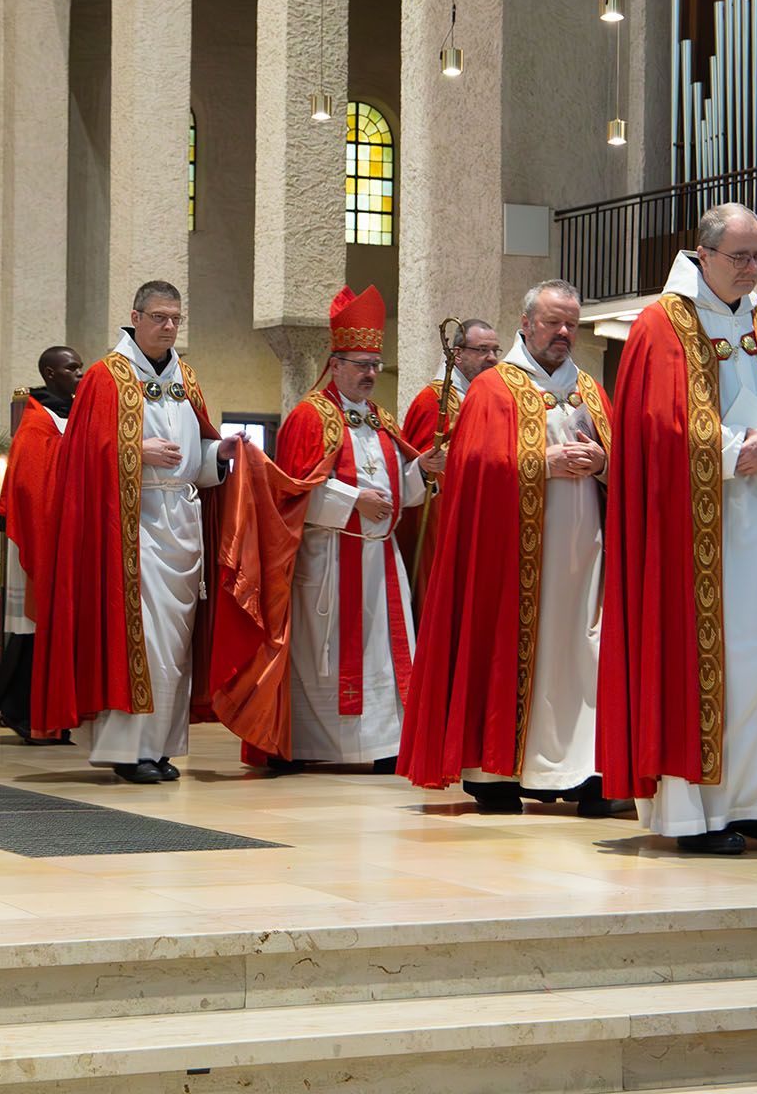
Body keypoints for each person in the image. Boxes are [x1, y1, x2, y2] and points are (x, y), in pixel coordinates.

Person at [597, 203, 757, 856]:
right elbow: (655, 427)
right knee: (707, 668)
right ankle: (696, 814)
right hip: (695, 537)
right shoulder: (661, 325)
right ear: (702, 254)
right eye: (740, 257)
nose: (753, 270)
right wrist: (732, 451)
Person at [400, 279, 625, 818]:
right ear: (526, 323)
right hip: (512, 561)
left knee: (585, 656)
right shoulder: (493, 389)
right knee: (513, 652)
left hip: (587, 557)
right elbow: (471, 470)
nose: (564, 333)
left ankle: (587, 770)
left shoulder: (592, 391)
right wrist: (540, 465)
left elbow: (626, 466)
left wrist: (604, 463)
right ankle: (499, 771)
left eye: (571, 323)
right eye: (553, 322)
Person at [30, 281, 229, 783]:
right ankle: (126, 750)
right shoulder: (106, 376)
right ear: (135, 317)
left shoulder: (187, 377)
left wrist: (217, 456)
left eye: (176, 319)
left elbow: (199, 454)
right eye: (160, 317)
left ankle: (160, 747)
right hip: (130, 522)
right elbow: (80, 456)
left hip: (181, 520)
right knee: (141, 637)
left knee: (176, 645)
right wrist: (136, 453)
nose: (169, 326)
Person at [265, 286, 441, 773]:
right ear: (335, 363)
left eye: (375, 365)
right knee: (324, 653)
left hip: (379, 558)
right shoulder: (310, 416)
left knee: (384, 651)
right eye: (360, 364)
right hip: (329, 558)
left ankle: (382, 745)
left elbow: (400, 497)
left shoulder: (379, 419)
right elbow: (291, 492)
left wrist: (422, 470)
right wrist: (352, 500)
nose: (369, 374)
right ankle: (313, 746)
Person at [0, 346, 84, 742]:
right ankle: (20, 709)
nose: (79, 373)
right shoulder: (35, 423)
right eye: (71, 368)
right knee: (33, 626)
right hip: (38, 538)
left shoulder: (74, 415)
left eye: (79, 367)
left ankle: (55, 711)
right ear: (49, 373)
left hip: (68, 537)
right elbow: (28, 483)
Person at [398, 318, 498, 587]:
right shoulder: (433, 401)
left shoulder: (492, 399)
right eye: (482, 350)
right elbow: (418, 475)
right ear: (457, 354)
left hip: (484, 517)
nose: (492, 358)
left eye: (495, 351)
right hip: (444, 523)